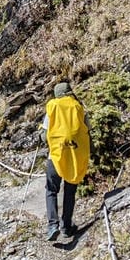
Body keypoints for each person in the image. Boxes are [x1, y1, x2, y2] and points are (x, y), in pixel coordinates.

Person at [42, 81, 90, 242]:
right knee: (70, 191)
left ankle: (52, 225)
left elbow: (44, 134)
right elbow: (87, 130)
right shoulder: (78, 106)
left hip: (56, 156)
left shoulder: (53, 106)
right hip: (75, 156)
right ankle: (66, 226)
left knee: (51, 189)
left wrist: (42, 137)